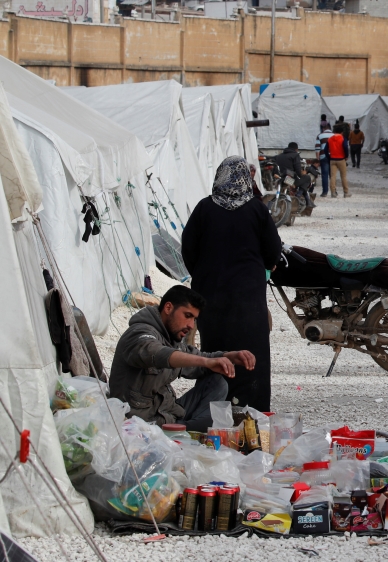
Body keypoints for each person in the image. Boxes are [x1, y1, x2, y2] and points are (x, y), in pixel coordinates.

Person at [181, 156, 282, 411]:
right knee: (252, 353)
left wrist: (203, 275)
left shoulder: (205, 208)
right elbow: (273, 250)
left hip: (211, 294)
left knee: (215, 352)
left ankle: (214, 410)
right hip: (248, 297)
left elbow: (188, 249)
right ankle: (252, 412)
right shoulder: (257, 209)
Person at [109, 286, 255, 432]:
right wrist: (206, 362)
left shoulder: (171, 337)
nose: (191, 325)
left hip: (169, 414)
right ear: (168, 308)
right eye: (187, 315)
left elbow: (196, 358)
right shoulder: (139, 333)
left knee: (217, 383)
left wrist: (229, 356)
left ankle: (187, 430)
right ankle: (186, 432)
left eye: (194, 319)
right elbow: (157, 352)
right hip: (143, 425)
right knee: (215, 421)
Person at [272, 142, 315, 208]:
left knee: (302, 182)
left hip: (280, 179)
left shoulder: (279, 156)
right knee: (307, 178)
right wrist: (302, 173)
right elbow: (298, 172)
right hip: (290, 180)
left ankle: (307, 201)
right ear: (296, 149)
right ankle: (299, 196)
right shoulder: (295, 155)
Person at [326, 125, 350, 197]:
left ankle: (333, 192)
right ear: (342, 132)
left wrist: (329, 157)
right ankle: (346, 192)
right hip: (341, 159)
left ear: (334, 132)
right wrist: (346, 156)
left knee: (333, 176)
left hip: (332, 159)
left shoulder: (330, 139)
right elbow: (345, 147)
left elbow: (325, 149)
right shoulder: (343, 138)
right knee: (343, 176)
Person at [315, 125, 333, 197]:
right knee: (332, 175)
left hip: (323, 156)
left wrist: (318, 159)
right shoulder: (334, 135)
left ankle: (325, 192)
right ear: (330, 128)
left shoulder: (320, 135)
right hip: (333, 156)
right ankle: (334, 191)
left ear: (323, 129)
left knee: (324, 175)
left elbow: (317, 148)